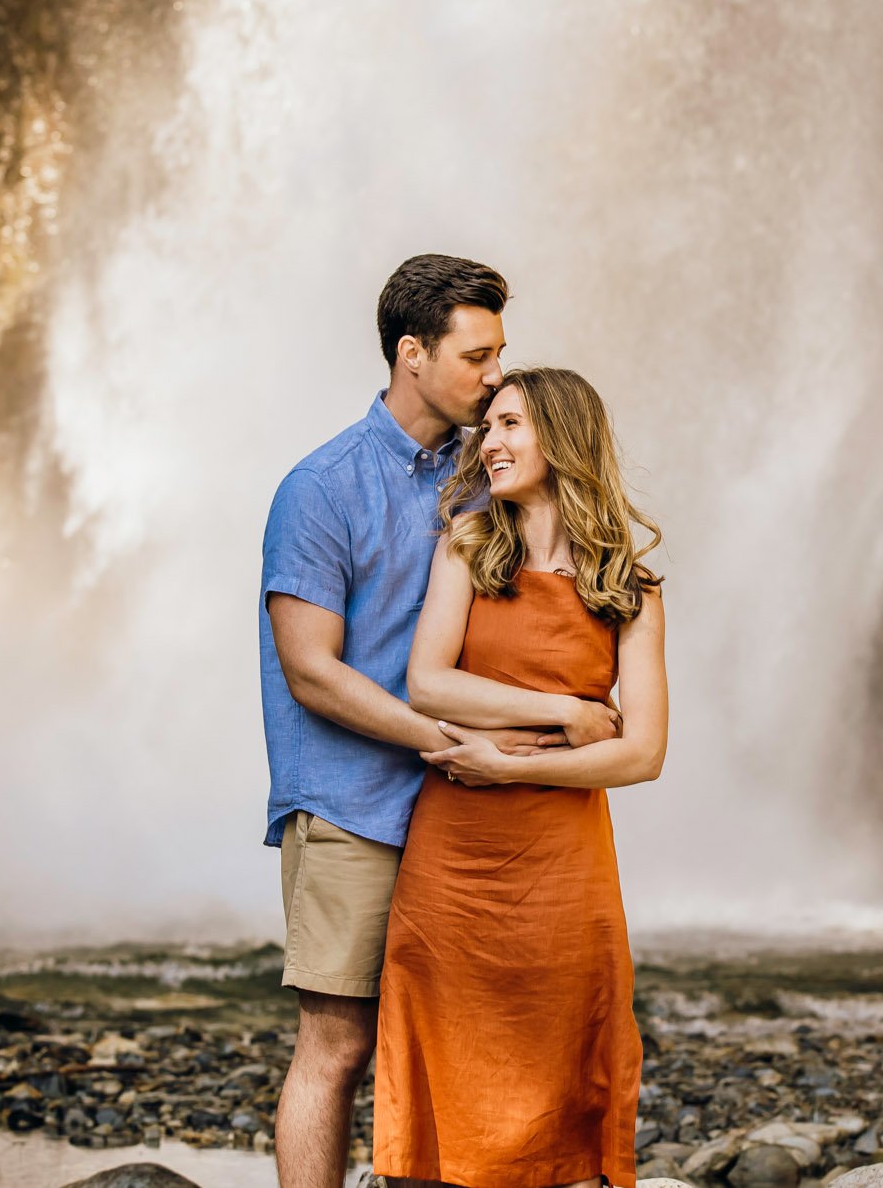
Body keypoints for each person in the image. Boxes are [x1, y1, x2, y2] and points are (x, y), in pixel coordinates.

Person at [261, 256, 614, 1188]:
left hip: (466, 815)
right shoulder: (321, 487)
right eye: (478, 355)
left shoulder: (483, 470)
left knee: (450, 1045)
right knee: (336, 1044)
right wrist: (455, 741)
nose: (496, 376)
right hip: (353, 807)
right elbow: (311, 670)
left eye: (501, 356)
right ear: (412, 354)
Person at [375, 367, 669, 1188]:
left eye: (511, 425)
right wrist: (567, 712)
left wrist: (503, 764)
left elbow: (643, 752)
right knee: (436, 1068)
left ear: (563, 439)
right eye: (490, 426)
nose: (491, 443)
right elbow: (429, 683)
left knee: (566, 1061)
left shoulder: (629, 587)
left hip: (562, 868)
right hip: (454, 865)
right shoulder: (468, 547)